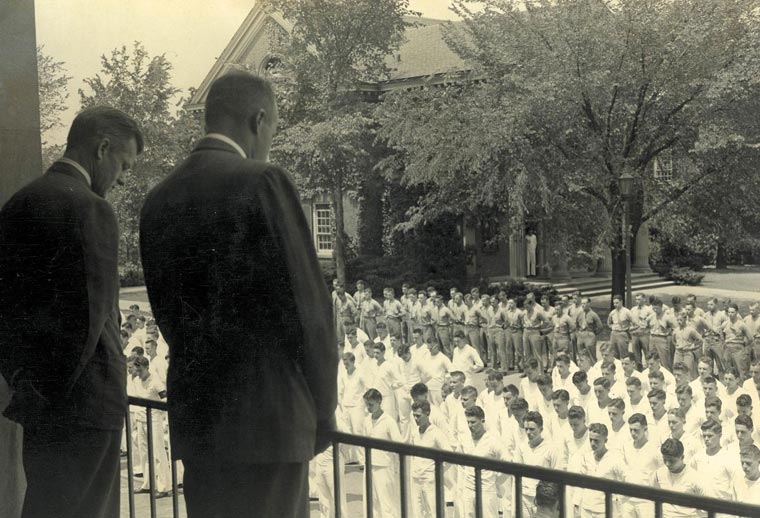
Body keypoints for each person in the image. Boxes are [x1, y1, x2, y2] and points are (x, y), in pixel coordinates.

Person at [139, 72, 337, 517]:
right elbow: (312, 313)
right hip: (270, 424)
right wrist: (321, 412)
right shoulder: (262, 181)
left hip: (201, 423)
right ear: (259, 119)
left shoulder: (158, 199)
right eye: (273, 129)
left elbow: (168, 315)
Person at [0, 106, 142, 518]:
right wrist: (52, 395)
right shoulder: (92, 208)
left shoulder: (19, 203)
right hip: (86, 408)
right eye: (124, 165)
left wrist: (27, 387)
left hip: (39, 407)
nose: (122, 178)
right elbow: (88, 319)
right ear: (102, 148)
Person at [362, 389, 402, 518]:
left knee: (387, 505)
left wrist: (395, 466)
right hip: (369, 466)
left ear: (379, 402)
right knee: (371, 503)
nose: (368, 408)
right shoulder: (366, 420)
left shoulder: (389, 421)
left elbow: (399, 445)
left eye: (371, 405)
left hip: (384, 467)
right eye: (367, 404)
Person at [410, 401, 451, 518]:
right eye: (414, 416)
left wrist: (438, 471)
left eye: (418, 416)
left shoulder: (436, 433)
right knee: (417, 513)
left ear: (427, 413)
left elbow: (449, 455)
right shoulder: (414, 432)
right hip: (416, 479)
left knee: (435, 512)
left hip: (430, 480)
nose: (416, 419)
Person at [651, 438, 706, 518]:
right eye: (665, 460)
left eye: (672, 461)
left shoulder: (695, 477)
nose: (667, 464)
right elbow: (654, 499)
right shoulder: (659, 474)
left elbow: (705, 508)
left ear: (682, 457)